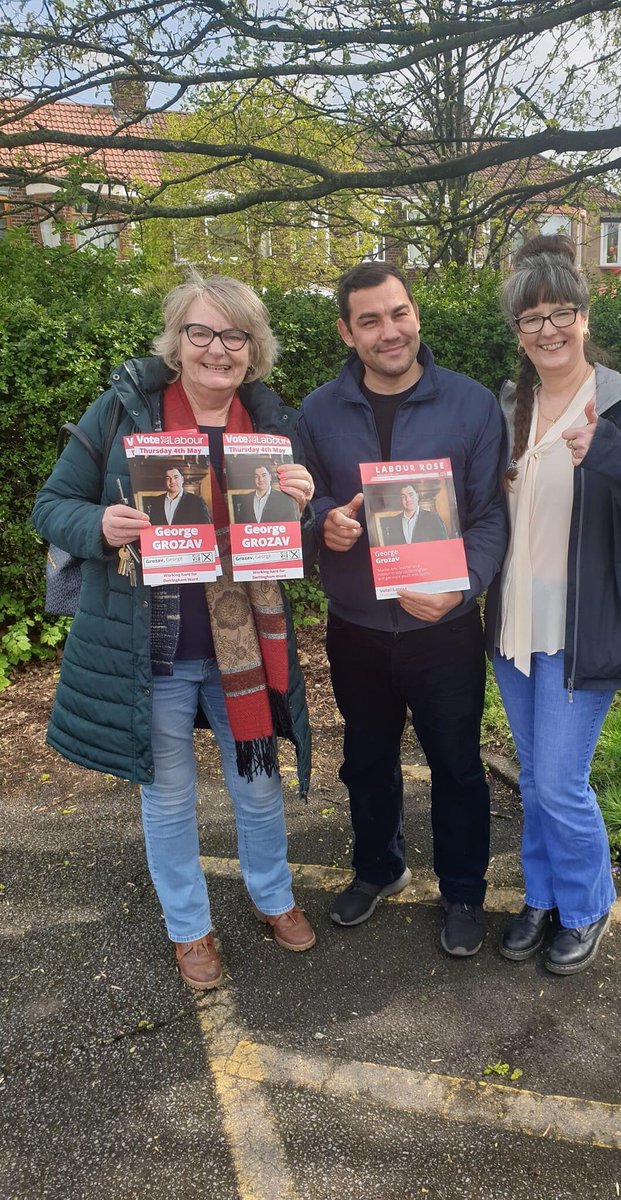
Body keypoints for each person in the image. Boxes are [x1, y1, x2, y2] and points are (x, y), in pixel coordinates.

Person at [32, 272, 318, 991]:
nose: (217, 349)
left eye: (234, 336)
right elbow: (52, 504)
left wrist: (304, 506)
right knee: (167, 796)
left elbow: (296, 543)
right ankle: (190, 930)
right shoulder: (125, 412)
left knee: (258, 786)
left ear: (254, 348)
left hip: (242, 648)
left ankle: (274, 898)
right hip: (152, 646)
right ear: (176, 340)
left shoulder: (273, 425)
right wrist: (99, 524)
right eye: (201, 332)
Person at [485, 235, 621, 975]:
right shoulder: (509, 404)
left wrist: (608, 448)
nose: (547, 330)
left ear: (583, 316)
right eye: (530, 318)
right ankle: (541, 898)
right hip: (514, 623)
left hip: (585, 626)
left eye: (559, 313)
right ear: (518, 330)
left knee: (559, 781)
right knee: (534, 776)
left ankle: (586, 904)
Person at [298, 261, 507, 957]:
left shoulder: (471, 405)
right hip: (357, 625)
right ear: (346, 332)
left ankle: (464, 890)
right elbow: (300, 505)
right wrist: (325, 524)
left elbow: (490, 515)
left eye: (398, 313)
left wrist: (464, 585)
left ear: (416, 314)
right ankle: (379, 867)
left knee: (457, 764)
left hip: (443, 626)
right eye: (370, 320)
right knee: (366, 759)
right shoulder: (317, 412)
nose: (389, 332)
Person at [380, 483, 448, 546]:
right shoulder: (393, 522)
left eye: (411, 495)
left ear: (417, 496)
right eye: (403, 497)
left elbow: (443, 545)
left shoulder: (433, 518)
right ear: (400, 500)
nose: (408, 499)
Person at [143, 464, 213, 526]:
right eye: (168, 478)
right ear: (165, 481)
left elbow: (205, 528)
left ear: (182, 479)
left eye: (176, 477)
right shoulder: (156, 502)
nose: (172, 481)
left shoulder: (197, 501)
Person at [232, 463, 301, 524]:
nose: (261, 479)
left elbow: (290, 526)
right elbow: (240, 524)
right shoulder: (245, 500)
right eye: (256, 476)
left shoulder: (284, 499)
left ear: (270, 477)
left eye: (264, 475)